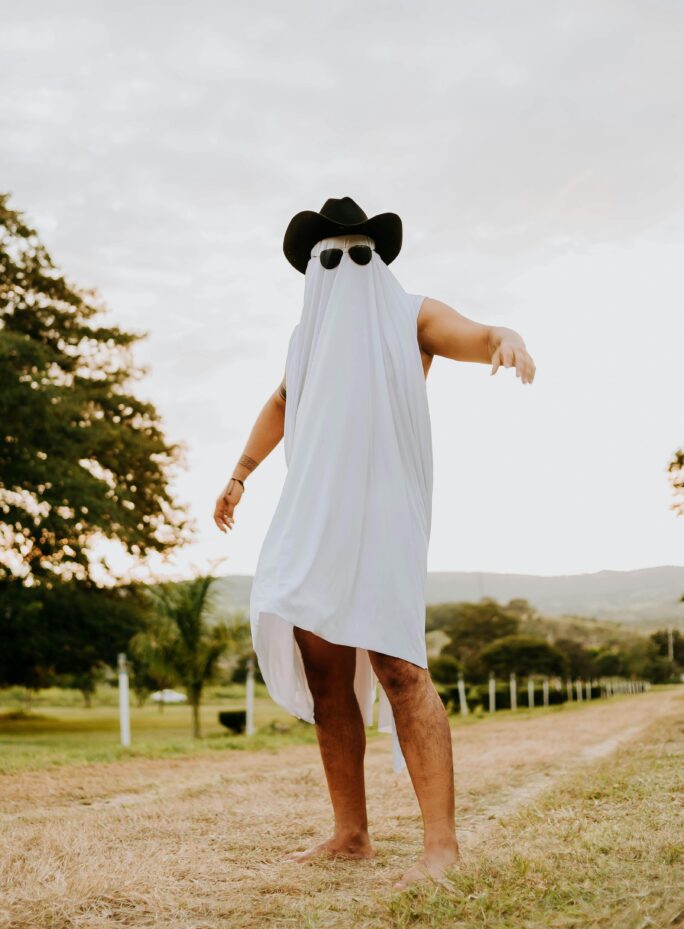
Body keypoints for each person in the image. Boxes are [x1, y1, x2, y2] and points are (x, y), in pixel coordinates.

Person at [214, 196, 536, 889]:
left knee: (399, 670)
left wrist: (502, 335)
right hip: (313, 516)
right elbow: (279, 404)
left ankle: (441, 846)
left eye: (362, 254)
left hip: (387, 515)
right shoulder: (305, 340)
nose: (348, 266)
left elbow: (469, 332)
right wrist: (239, 476)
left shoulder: (408, 313)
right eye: (332, 257)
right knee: (328, 676)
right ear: (313, 270)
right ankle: (350, 834)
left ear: (379, 262)